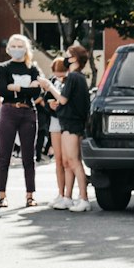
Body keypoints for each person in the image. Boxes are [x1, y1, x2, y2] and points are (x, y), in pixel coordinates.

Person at [40, 44, 93, 212]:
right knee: (68, 162)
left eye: (68, 54)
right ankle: (68, 197)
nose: (65, 56)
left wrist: (49, 86)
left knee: (74, 161)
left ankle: (83, 198)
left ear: (74, 58)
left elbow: (62, 100)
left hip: (71, 123)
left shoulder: (73, 77)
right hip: (71, 122)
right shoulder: (79, 78)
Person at [0, 33, 42, 209]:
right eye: (13, 46)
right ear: (8, 49)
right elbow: (3, 91)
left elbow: (37, 93)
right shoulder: (3, 67)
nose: (16, 49)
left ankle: (30, 195)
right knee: (4, 156)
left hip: (28, 112)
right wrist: (26, 89)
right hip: (8, 111)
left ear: (26, 48)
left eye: (19, 45)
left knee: (29, 157)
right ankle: (2, 195)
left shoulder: (32, 68)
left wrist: (16, 88)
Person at [45, 57, 69, 205]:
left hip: (67, 122)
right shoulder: (51, 81)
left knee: (68, 160)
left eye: (61, 74)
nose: (59, 77)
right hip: (54, 121)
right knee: (58, 160)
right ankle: (61, 193)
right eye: (56, 74)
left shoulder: (70, 81)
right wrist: (50, 104)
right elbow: (45, 99)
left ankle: (68, 194)